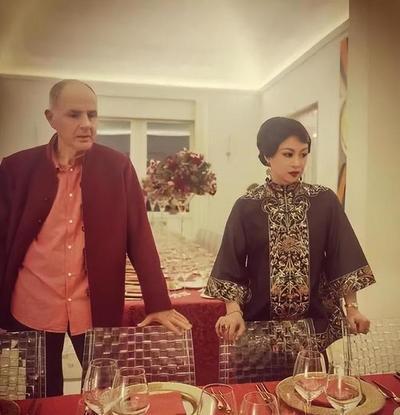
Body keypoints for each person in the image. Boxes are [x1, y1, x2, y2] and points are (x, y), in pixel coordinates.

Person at [0, 79, 191, 396]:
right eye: (74, 114)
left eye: (92, 114)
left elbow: (139, 236)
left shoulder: (117, 166)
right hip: (32, 304)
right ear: (51, 118)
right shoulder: (16, 168)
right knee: (41, 396)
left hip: (94, 306)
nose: (87, 124)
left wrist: (158, 302)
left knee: (104, 391)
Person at [204, 116, 374, 352]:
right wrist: (233, 311)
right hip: (260, 329)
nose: (297, 163)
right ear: (267, 155)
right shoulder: (247, 206)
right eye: (288, 154)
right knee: (261, 378)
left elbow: (342, 254)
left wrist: (352, 308)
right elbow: (231, 264)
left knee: (310, 378)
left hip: (314, 329)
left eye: (303, 154)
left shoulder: (324, 201)